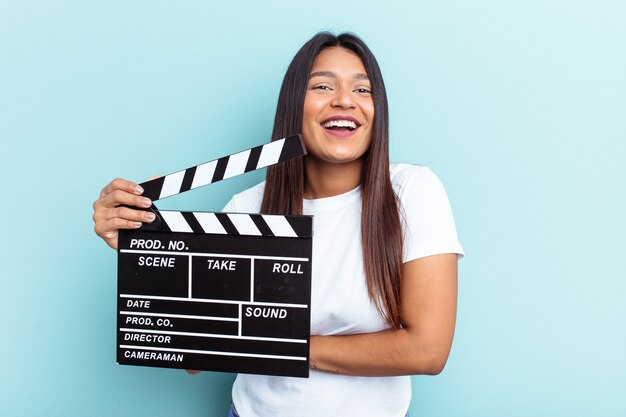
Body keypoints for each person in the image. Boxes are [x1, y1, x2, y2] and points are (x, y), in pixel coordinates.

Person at [93, 32, 464, 417]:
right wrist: (146, 249)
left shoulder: (411, 192)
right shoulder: (248, 208)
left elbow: (427, 350)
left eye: (363, 89)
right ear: (293, 107)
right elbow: (196, 355)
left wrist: (277, 344)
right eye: (322, 85)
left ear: (377, 111)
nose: (344, 99)